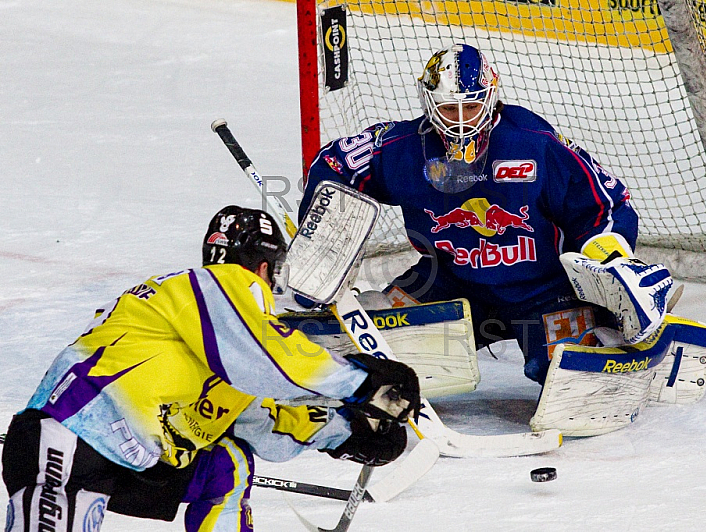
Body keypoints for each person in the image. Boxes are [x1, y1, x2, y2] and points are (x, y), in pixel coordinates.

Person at [2, 205, 420, 532]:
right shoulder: (210, 290)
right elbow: (271, 357)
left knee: (227, 462)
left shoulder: (225, 343)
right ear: (262, 267)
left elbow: (265, 421)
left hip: (123, 457)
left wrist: (347, 433)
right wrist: (366, 383)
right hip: (66, 439)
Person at [299, 43, 672, 388]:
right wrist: (321, 248)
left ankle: (609, 329)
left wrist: (612, 258)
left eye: (471, 107)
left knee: (568, 373)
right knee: (376, 349)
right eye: (448, 108)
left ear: (491, 99)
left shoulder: (532, 142)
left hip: (543, 291)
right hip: (448, 282)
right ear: (429, 104)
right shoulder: (403, 149)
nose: (460, 121)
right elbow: (334, 164)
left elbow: (602, 204)